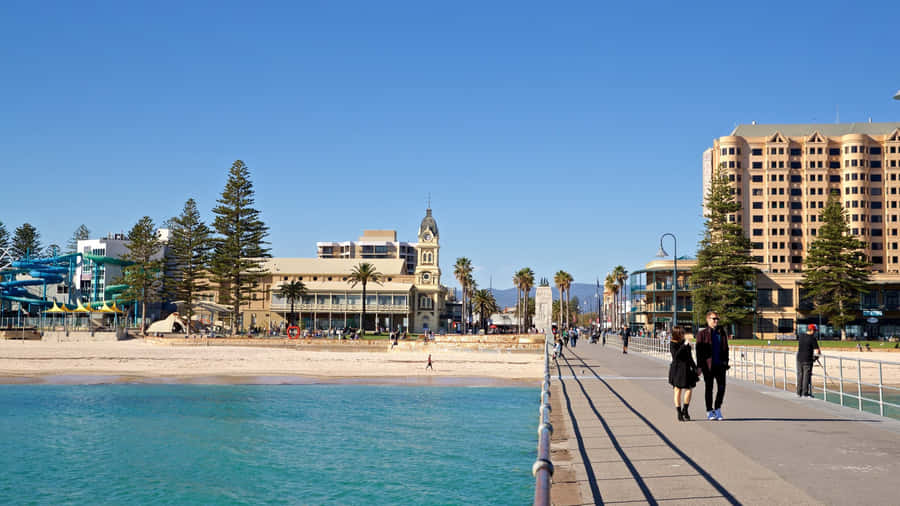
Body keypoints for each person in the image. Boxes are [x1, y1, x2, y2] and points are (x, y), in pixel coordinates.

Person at [695, 311, 729, 421]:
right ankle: (709, 410)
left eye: (717, 319)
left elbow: (726, 348)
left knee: (722, 388)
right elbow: (699, 352)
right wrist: (699, 366)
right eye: (714, 319)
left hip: (720, 365)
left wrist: (725, 362)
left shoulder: (721, 332)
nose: (716, 321)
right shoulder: (702, 334)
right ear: (708, 320)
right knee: (709, 388)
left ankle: (717, 408)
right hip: (708, 366)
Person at [668, 326, 699, 421]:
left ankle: (685, 410)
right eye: (681, 333)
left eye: (683, 333)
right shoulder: (673, 343)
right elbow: (676, 356)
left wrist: (695, 368)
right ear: (677, 334)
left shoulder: (685, 343)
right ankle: (679, 412)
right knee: (677, 390)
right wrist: (684, 346)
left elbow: (690, 357)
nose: (683, 335)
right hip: (677, 369)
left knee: (689, 388)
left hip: (686, 368)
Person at [797, 323, 820, 398]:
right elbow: (817, 351)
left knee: (800, 375)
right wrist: (815, 358)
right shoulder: (812, 338)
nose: (815, 332)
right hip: (807, 359)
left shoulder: (801, 336)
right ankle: (805, 393)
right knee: (806, 376)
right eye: (815, 331)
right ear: (812, 330)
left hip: (799, 358)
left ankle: (799, 392)